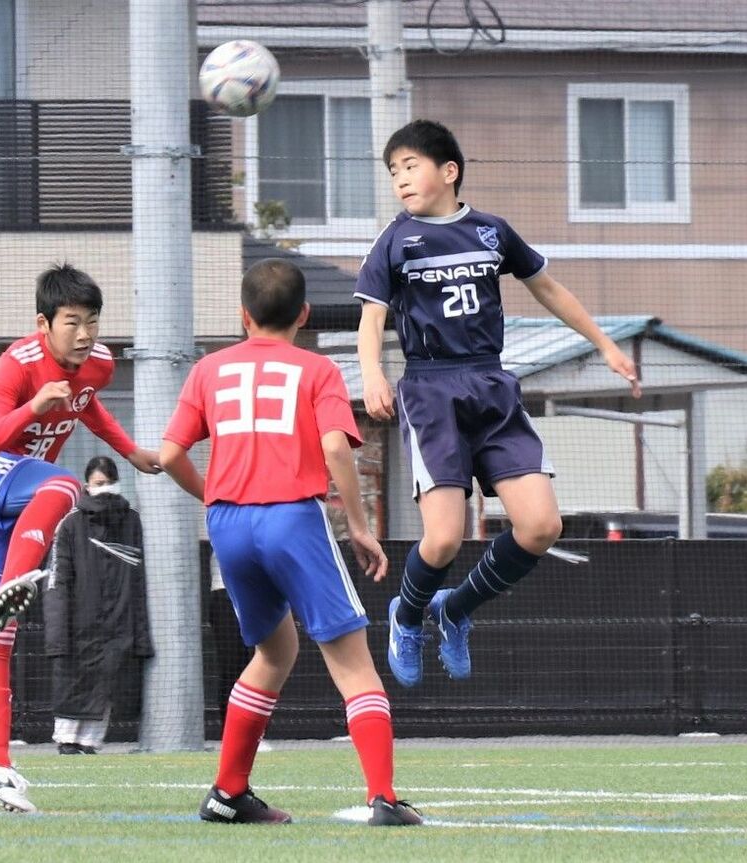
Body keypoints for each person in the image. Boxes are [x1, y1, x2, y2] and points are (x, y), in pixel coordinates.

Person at [355, 120, 641, 689]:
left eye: (410, 166)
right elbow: (372, 318)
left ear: (448, 171)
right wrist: (372, 373)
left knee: (541, 526)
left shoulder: (491, 232)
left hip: (491, 384)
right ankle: (406, 616)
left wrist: (606, 345)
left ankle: (455, 608)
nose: (401, 179)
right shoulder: (396, 240)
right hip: (432, 389)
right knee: (442, 538)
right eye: (393, 171)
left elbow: (548, 287)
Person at [160, 258, 423, 828]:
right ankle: (384, 797)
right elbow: (335, 449)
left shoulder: (208, 369)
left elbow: (168, 455)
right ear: (303, 315)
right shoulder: (317, 370)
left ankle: (228, 794)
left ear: (243, 316)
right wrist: (357, 524)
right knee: (352, 664)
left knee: (273, 653)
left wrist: (214, 497)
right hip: (291, 519)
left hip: (228, 526)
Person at [0, 263, 159, 812]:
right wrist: (31, 409)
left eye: (92, 321)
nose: (85, 333)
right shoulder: (18, 366)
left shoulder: (99, 365)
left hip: (18, 497)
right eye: (72, 322)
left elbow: (88, 408)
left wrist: (131, 450)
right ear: (43, 323)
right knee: (67, 485)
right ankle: (20, 581)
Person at [43, 455, 153, 755]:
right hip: (79, 624)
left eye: (108, 483)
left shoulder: (132, 522)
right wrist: (57, 634)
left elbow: (140, 579)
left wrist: (139, 635)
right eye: (98, 483)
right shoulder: (70, 524)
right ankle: (67, 739)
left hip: (119, 624)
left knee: (107, 684)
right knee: (73, 680)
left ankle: (91, 742)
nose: (103, 489)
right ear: (87, 485)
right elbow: (57, 580)